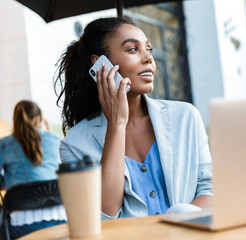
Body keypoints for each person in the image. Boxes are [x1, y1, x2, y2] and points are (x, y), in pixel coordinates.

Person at [55, 17, 213, 219]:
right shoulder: (75, 144)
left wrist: (181, 220)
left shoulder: (185, 117)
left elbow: (209, 189)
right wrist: (116, 125)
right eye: (132, 49)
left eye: (149, 49)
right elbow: (105, 214)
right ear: (100, 64)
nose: (148, 58)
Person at [0, 100, 66, 239]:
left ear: (14, 121)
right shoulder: (55, 139)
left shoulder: (5, 144)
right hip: (59, 219)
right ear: (37, 120)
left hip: (21, 224)